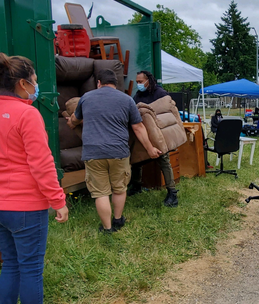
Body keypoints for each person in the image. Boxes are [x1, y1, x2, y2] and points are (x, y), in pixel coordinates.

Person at [0, 52, 69, 304]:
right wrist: (58, 200)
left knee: (11, 265)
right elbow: (41, 163)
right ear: (22, 84)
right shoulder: (27, 115)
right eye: (35, 80)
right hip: (24, 206)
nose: (36, 86)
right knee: (30, 269)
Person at [67, 69, 160, 232]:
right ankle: (118, 220)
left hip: (93, 153)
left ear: (98, 83)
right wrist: (150, 148)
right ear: (116, 84)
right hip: (119, 152)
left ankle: (107, 228)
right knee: (119, 189)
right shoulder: (127, 100)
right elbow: (138, 127)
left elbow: (75, 119)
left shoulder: (86, 98)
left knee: (101, 193)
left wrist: (71, 123)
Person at [129, 70, 179, 207]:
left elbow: (168, 111)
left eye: (140, 81)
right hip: (143, 134)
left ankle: (172, 193)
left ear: (148, 81)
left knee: (164, 160)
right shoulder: (138, 95)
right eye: (137, 82)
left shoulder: (160, 94)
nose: (138, 84)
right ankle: (136, 186)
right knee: (136, 160)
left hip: (159, 134)